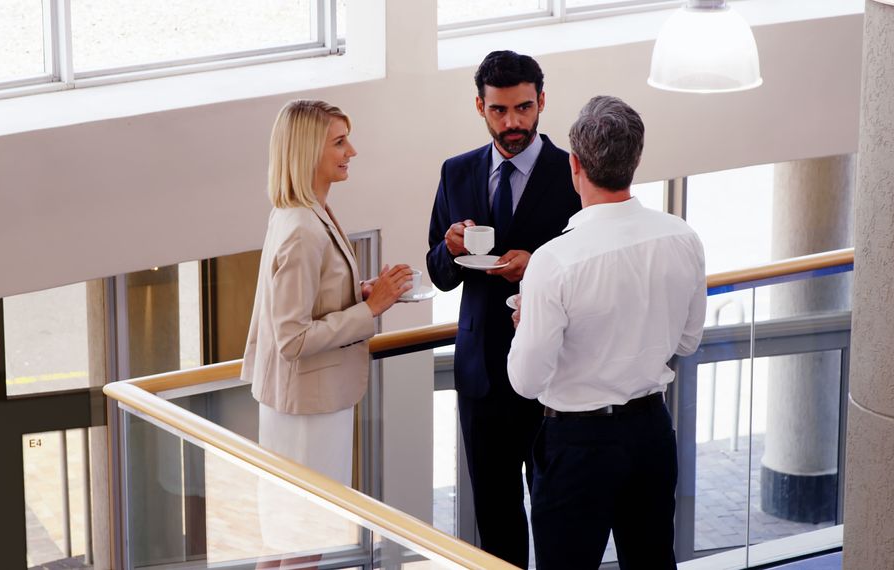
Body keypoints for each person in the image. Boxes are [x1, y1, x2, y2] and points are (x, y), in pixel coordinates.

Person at [507, 95, 707, 570]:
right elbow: (686, 342)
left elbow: (525, 382)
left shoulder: (554, 260)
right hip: (651, 432)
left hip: (577, 445)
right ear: (635, 160)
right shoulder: (682, 236)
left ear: (574, 165)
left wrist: (525, 325)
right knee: (652, 562)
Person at [425, 50, 581, 566]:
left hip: (553, 374)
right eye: (499, 110)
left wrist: (535, 264)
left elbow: (587, 265)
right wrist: (448, 249)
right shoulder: (456, 172)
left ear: (541, 102)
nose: (513, 122)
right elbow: (439, 274)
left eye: (523, 108)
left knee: (558, 517)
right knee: (495, 521)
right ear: (479, 106)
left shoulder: (572, 173)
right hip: (481, 377)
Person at [242, 100, 412, 564]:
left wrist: (360, 292)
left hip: (302, 405)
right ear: (307, 152)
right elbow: (292, 338)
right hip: (309, 411)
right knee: (305, 544)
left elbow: (306, 300)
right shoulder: (303, 228)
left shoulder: (301, 212)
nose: (351, 151)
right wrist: (371, 309)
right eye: (339, 142)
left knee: (282, 541)